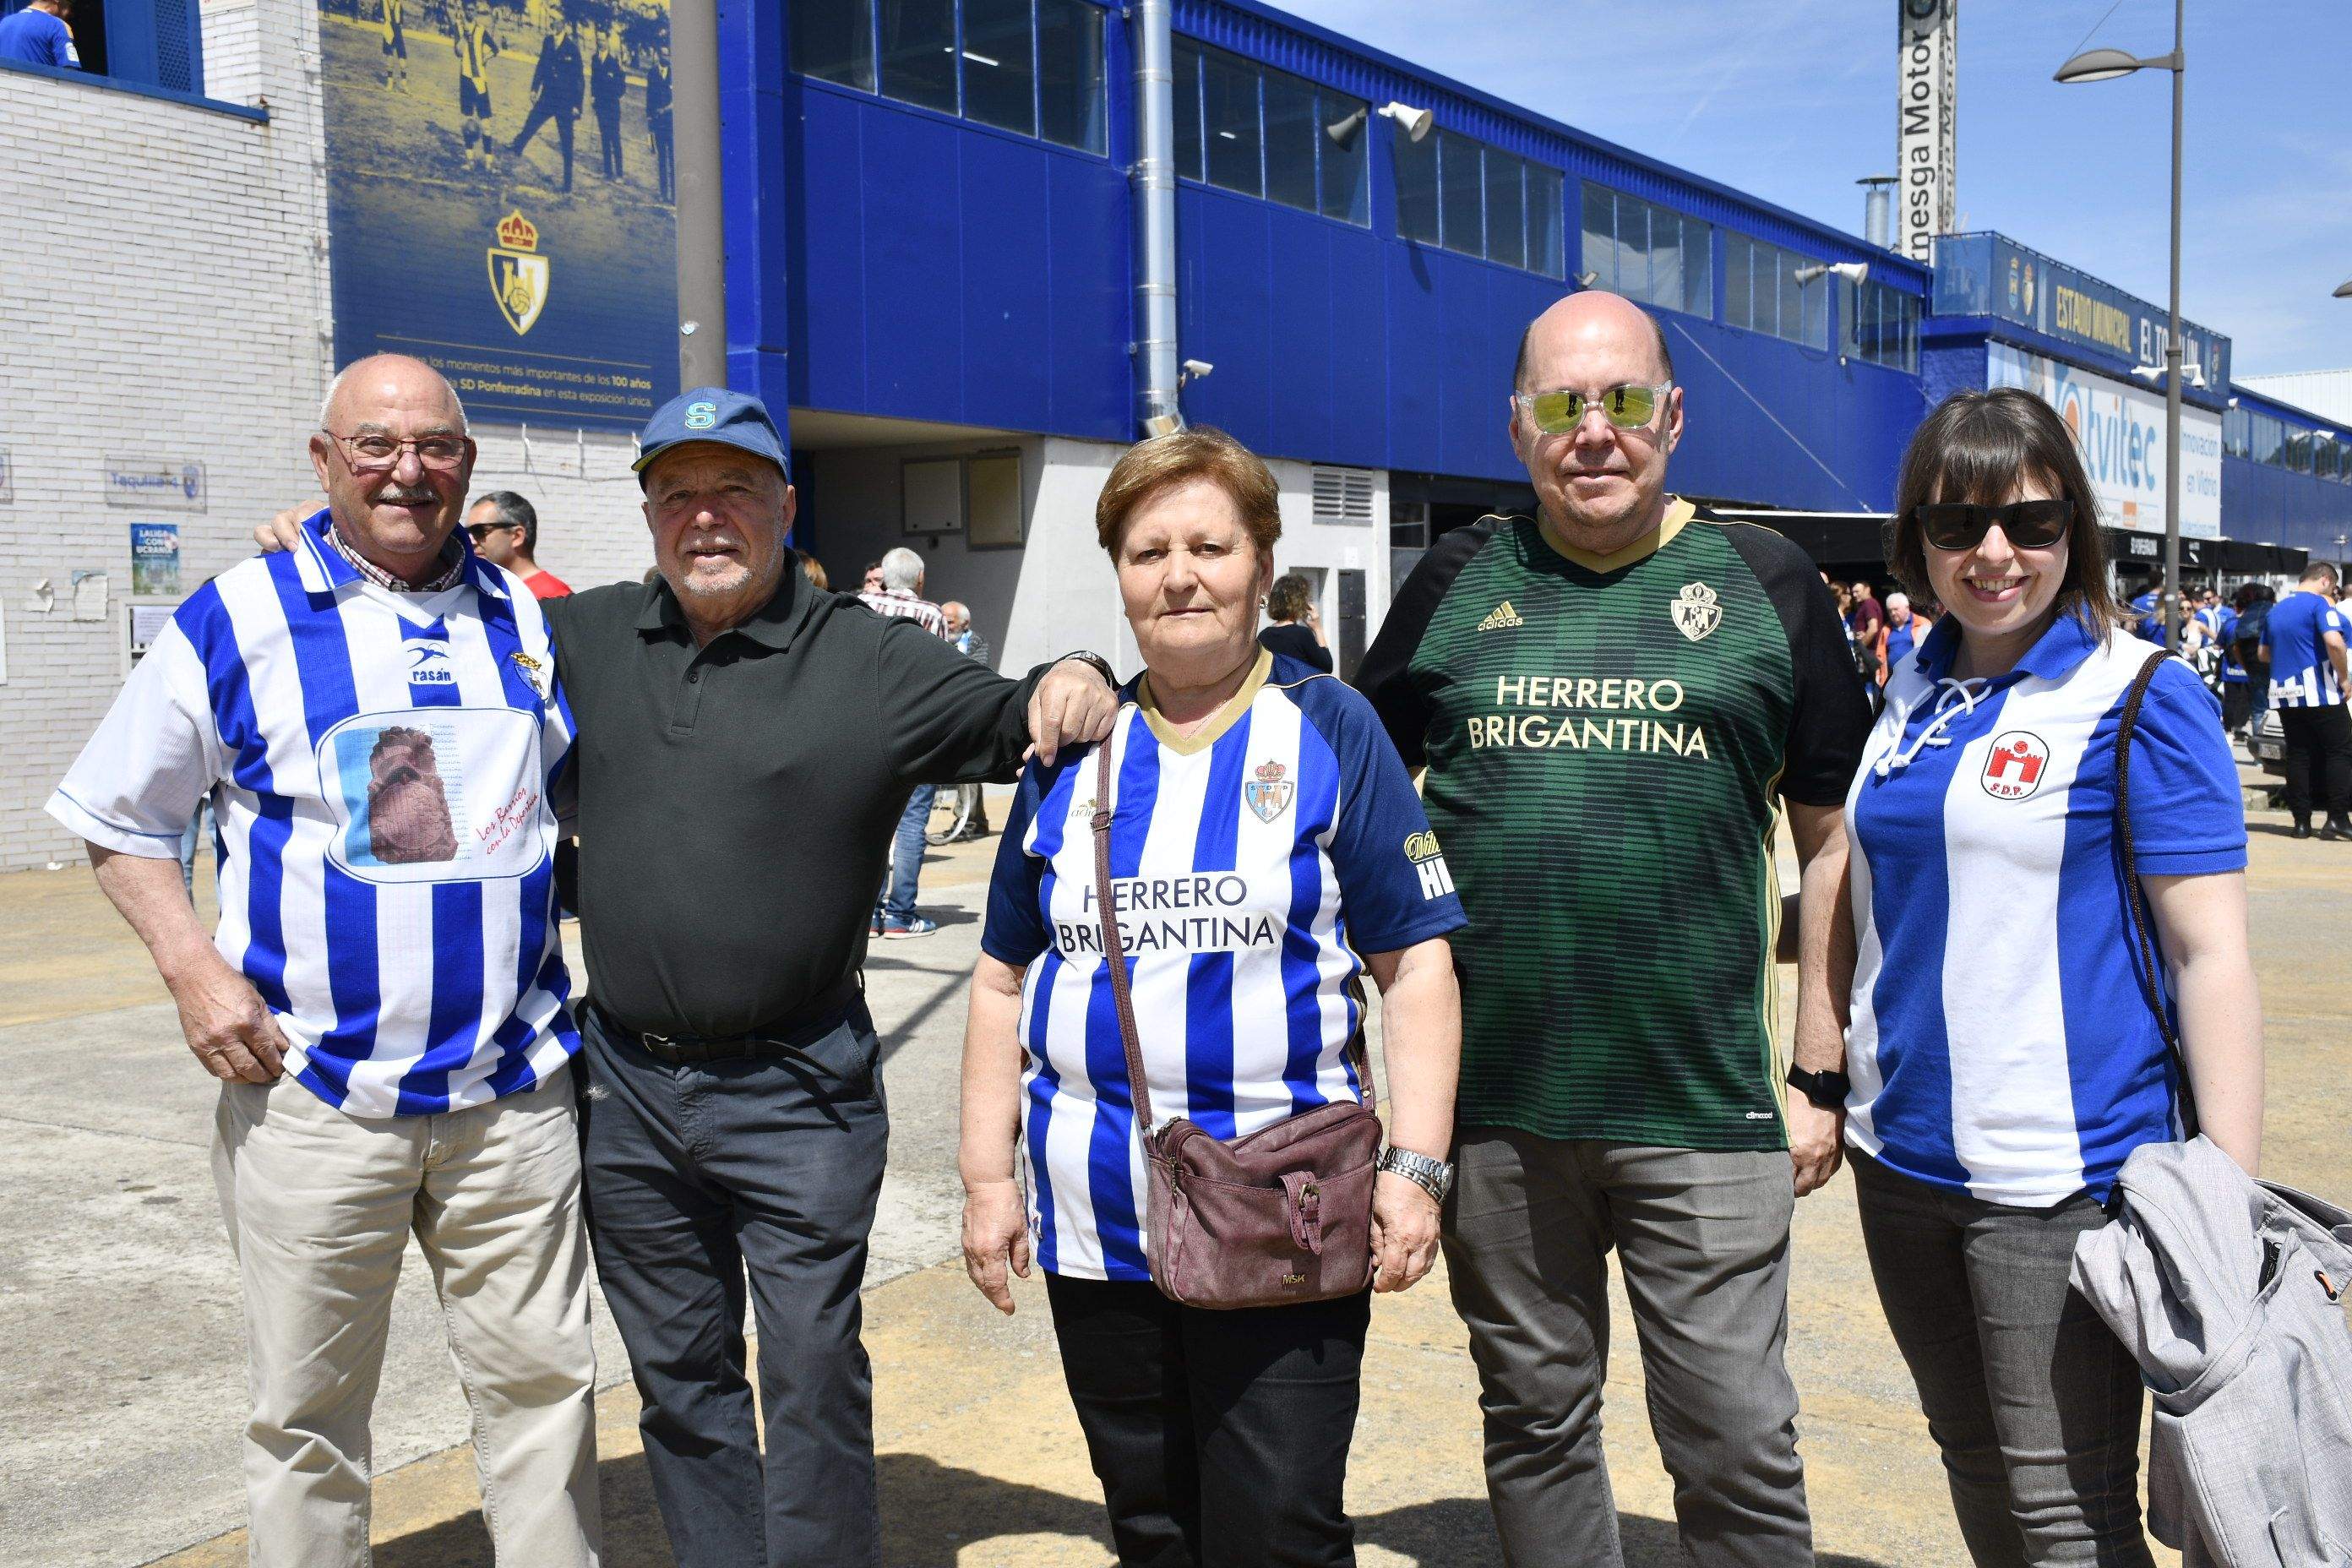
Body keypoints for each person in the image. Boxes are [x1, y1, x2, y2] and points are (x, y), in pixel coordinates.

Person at [251, 386, 1119, 1568]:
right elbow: (430, 613)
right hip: (629, 1092)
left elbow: (1019, 713)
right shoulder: (582, 639)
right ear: (651, 514)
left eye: (735, 492)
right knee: (681, 1378)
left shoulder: (869, 656)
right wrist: (336, 541)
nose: (706, 518)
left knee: (811, 1371)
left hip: (800, 1089)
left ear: (784, 506)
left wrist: (1075, 669)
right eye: (680, 496)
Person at [1357, 291, 1870, 1568]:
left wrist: (1819, 1065)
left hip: (1701, 1111)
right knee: (1534, 1424)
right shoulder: (1457, 579)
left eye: (1626, 401)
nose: (1598, 432)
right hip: (1497, 1116)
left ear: (1675, 417)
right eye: (1565, 405)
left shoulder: (1766, 582)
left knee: (1738, 1441)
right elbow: (1346, 791)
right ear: (1518, 424)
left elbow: (1830, 839)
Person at [59, 356, 600, 1566]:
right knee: (307, 1419)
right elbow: (117, 814)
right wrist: (195, 969)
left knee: (546, 1395)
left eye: (437, 447)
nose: (409, 470)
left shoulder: (523, 619)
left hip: (511, 1097)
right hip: (310, 1097)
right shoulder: (240, 614)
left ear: (467, 462)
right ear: (324, 461)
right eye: (376, 446)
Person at [960, 427, 1467, 1567]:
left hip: (1286, 1211)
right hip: (1097, 1223)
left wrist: (1418, 1169)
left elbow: (1417, 963)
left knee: (1278, 1529)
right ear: (1120, 578)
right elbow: (1001, 976)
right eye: (1148, 553)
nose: (1180, 575)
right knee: (1150, 1523)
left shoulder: (1332, 730)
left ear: (1260, 560)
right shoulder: (1069, 754)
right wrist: (990, 1181)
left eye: (1209, 545)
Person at [1837, 387, 2265, 1564]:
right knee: (1973, 1462)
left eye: (2029, 524)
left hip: (2063, 1176)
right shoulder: (1914, 686)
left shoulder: (2139, 694)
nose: (1993, 554)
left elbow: (2210, 952)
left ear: (2075, 528)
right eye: (1956, 524)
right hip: (1902, 1158)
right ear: (1914, 542)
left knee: (2066, 1509)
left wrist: (2224, 1198)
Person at [861, 547, 952, 935]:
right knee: (912, 823)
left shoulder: (859, 606)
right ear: (919, 579)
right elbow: (944, 677)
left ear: (882, 574)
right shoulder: (931, 614)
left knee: (867, 823)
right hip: (917, 733)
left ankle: (867, 912)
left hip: (862, 731)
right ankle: (900, 914)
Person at [2259, 560, 2352, 840]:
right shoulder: (2319, 605)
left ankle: (2301, 822)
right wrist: (2344, 678)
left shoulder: (2276, 610)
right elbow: (2334, 642)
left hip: (2284, 694)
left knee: (2298, 754)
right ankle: (2337, 818)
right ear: (2325, 580)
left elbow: (2263, 654)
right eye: (2334, 587)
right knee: (2340, 750)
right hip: (2319, 692)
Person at [511, 15, 585, 193]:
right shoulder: (547, 41)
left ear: (564, 24)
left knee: (567, 142)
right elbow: (542, 66)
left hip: (565, 102)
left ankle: (567, 184)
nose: (553, 23)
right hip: (548, 97)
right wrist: (534, 88)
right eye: (551, 20)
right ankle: (517, 147)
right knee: (532, 121)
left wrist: (577, 105)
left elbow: (579, 79)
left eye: (556, 20)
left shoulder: (572, 48)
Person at [942, 602, 992, 837]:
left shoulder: (977, 643)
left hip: (969, 713)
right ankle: (974, 820)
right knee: (962, 768)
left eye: (950, 621)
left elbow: (977, 671)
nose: (946, 625)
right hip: (946, 713)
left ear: (965, 623)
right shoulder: (937, 640)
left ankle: (969, 822)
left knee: (967, 768)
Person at [466, 489, 572, 598]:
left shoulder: (554, 595)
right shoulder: (485, 590)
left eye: (480, 531)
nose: (471, 541)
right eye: (467, 532)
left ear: (517, 536)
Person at [453, 0, 499, 173]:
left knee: (486, 123)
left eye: (474, 10)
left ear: (476, 12)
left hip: (480, 81)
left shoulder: (481, 31)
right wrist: (465, 36)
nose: (471, 12)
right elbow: (458, 52)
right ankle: (470, 161)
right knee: (467, 122)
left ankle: (489, 163)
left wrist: (484, 59)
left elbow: (495, 49)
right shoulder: (458, 28)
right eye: (468, 10)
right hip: (466, 80)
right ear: (464, 11)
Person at [1258, 570, 1333, 673]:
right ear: (1299, 602)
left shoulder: (1264, 635)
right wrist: (1318, 629)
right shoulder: (1302, 634)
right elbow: (1327, 666)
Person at [1873, 590, 1932, 686]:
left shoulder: (1923, 624)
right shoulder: (1886, 629)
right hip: (1894, 680)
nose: (1893, 613)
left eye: (1896, 609)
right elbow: (1880, 655)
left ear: (1907, 608)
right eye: (1890, 610)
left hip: (1917, 678)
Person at [590, 29, 626, 179]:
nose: (600, 42)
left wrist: (622, 74)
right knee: (604, 138)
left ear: (608, 41)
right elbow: (593, 80)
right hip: (600, 106)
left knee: (615, 139)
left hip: (612, 108)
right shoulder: (594, 59)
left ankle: (619, 174)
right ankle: (607, 172)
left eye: (603, 40)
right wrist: (593, 96)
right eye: (598, 40)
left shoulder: (614, 63)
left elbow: (621, 89)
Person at [0, 0, 80, 68]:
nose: (70, 13)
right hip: (39, 85)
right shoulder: (57, 25)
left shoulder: (4, 23)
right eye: (69, 5)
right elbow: (69, 70)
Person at [645, 44, 674, 202]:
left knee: (673, 159)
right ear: (658, 55)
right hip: (658, 122)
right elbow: (649, 96)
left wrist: (665, 110)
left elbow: (678, 99)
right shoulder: (652, 73)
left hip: (671, 123)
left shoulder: (674, 73)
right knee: (661, 159)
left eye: (667, 55)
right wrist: (649, 117)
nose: (665, 57)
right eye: (663, 54)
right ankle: (664, 193)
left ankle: (675, 195)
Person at [1848, 577, 1884, 652]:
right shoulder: (1864, 605)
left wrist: (1859, 649)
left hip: (1870, 651)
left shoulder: (1869, 603)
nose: (1854, 595)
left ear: (1867, 590)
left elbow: (1873, 628)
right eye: (1853, 592)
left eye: (1857, 592)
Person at [378, 0, 407, 91]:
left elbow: (380, 15)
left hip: (393, 29)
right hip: (392, 28)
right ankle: (397, 83)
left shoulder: (394, 3)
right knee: (393, 56)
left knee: (398, 56)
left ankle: (401, 84)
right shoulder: (390, 3)